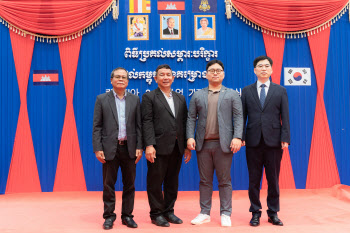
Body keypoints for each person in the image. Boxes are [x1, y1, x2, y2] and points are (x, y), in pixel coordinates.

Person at [187, 60, 243, 227]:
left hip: (224, 145)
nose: (215, 73)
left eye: (219, 70)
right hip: (203, 145)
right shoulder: (198, 95)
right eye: (212, 70)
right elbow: (190, 118)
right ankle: (204, 213)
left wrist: (237, 137)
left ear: (223, 74)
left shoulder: (232, 94)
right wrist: (190, 137)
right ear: (206, 74)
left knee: (224, 180)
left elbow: (239, 117)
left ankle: (226, 213)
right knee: (205, 181)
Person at [241, 56, 290, 227]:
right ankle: (255, 212)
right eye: (260, 66)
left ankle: (273, 212)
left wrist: (285, 138)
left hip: (274, 142)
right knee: (254, 179)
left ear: (271, 70)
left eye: (266, 66)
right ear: (255, 70)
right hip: (252, 142)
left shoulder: (280, 90)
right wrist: (241, 137)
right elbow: (242, 116)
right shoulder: (247, 91)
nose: (263, 68)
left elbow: (285, 116)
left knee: (273, 179)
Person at [92, 67, 143, 230]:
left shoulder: (135, 100)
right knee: (108, 184)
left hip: (129, 148)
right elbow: (97, 126)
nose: (121, 79)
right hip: (109, 148)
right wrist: (97, 147)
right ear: (111, 80)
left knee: (130, 184)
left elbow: (139, 126)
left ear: (127, 81)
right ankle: (109, 216)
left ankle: (127, 216)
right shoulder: (102, 99)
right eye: (117, 77)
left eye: (124, 77)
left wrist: (140, 146)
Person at [141, 64, 191, 227]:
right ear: (155, 79)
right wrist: (149, 145)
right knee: (155, 182)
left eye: (168, 74)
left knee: (172, 181)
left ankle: (169, 211)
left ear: (173, 77)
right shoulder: (149, 97)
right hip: (157, 147)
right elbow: (146, 122)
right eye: (161, 75)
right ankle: (156, 214)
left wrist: (185, 146)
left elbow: (183, 122)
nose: (165, 77)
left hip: (176, 147)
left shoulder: (180, 98)